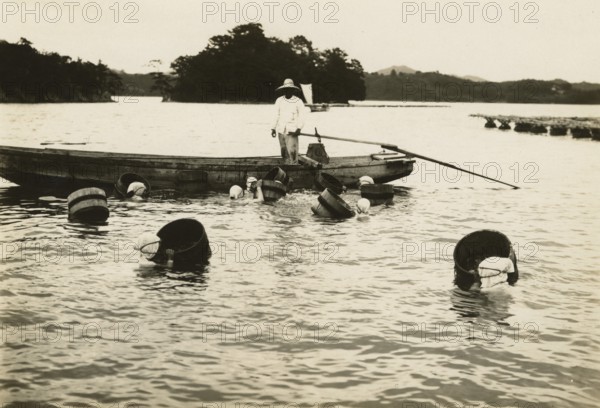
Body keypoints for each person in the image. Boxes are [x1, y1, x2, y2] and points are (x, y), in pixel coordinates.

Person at [271, 78, 305, 164]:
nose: (288, 91)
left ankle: (294, 168)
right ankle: (286, 168)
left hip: (292, 131)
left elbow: (302, 116)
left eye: (290, 89)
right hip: (281, 130)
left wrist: (299, 128)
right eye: (286, 89)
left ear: (293, 90)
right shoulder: (279, 100)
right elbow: (276, 115)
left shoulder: (298, 101)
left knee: (292, 153)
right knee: (284, 152)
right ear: (283, 90)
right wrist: (273, 128)